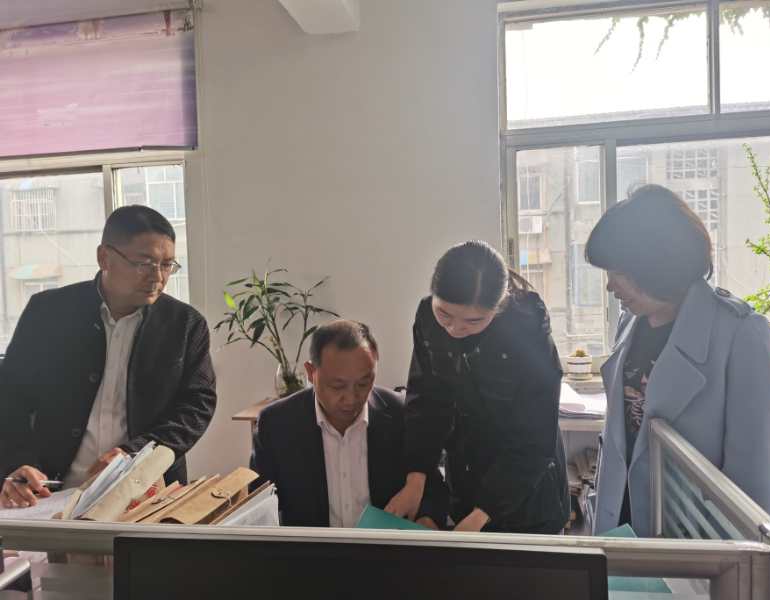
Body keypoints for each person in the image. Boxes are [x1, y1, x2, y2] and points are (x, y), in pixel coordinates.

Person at [586, 184, 770, 536]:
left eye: (619, 273)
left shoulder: (741, 333)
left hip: (695, 539)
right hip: (621, 526)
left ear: (657, 264)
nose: (610, 287)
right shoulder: (630, 322)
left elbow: (754, 491)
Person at [0, 205, 217, 508]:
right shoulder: (48, 313)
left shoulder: (185, 325)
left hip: (147, 493)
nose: (157, 276)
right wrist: (17, 463)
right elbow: (10, 397)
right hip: (51, 490)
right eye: (144, 263)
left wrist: (134, 453)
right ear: (104, 257)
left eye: (167, 265)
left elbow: (197, 406)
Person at [385, 240, 569, 533]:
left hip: (527, 489)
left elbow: (534, 437)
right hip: (467, 474)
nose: (455, 329)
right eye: (444, 314)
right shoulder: (427, 318)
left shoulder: (526, 327)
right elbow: (426, 401)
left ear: (498, 308)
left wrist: (483, 513)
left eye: (473, 320)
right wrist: (416, 478)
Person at [250, 319, 448, 528]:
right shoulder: (277, 424)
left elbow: (434, 489)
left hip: (386, 546)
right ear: (311, 372)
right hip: (311, 547)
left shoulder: (402, 415)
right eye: (337, 386)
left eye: (363, 383)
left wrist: (427, 521)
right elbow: (259, 509)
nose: (351, 398)